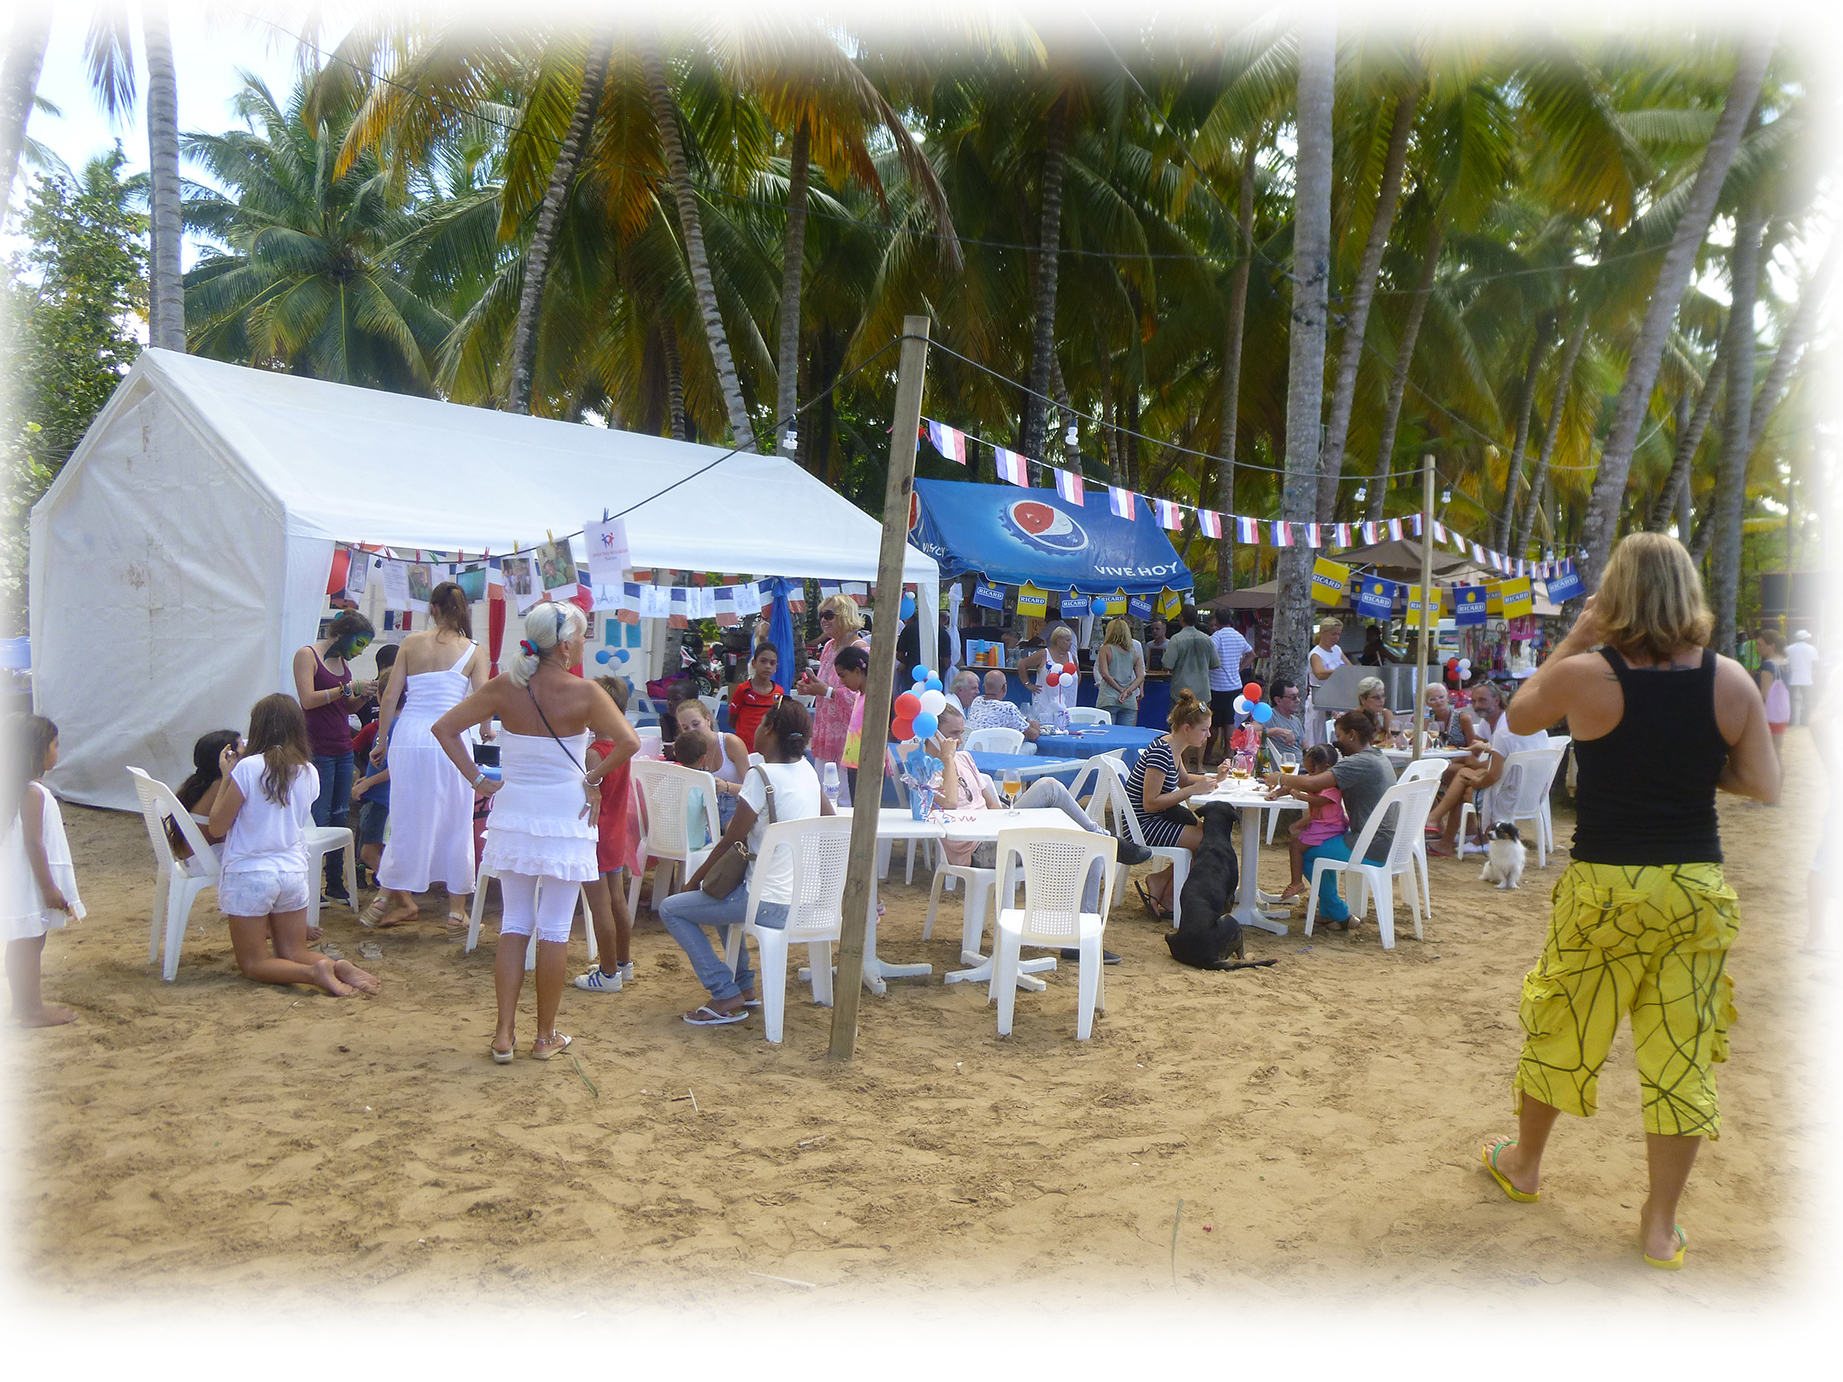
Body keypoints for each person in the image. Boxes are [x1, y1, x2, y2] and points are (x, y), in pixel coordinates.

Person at [1474, 533, 1777, 1270]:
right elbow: (1763, 784)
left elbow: (1517, 718)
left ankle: (1524, 1164)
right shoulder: (1731, 680)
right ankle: (1658, 1224)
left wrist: (1578, 634)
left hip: (1606, 886)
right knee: (1680, 1052)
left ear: (1615, 595)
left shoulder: (1586, 675)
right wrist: (1689, 767)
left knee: (1563, 1025)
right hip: (1692, 887)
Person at [433, 601, 636, 1062]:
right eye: (581, 636)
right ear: (564, 645)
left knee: (514, 923)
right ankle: (545, 1037)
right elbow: (627, 741)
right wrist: (592, 777)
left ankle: (504, 1034)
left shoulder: (506, 685)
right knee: (555, 928)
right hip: (566, 816)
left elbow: (445, 728)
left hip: (514, 813)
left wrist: (477, 779)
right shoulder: (585, 692)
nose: (583, 643)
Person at [925, 704, 1149, 959]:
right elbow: (950, 803)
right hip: (975, 849)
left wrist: (1011, 813)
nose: (959, 740)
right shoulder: (925, 769)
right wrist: (946, 759)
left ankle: (1081, 941)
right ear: (934, 734)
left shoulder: (964, 758)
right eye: (953, 734)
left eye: (962, 733)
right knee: (1053, 792)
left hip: (998, 833)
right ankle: (1106, 839)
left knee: (1090, 847)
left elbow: (994, 809)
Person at [659, 698, 830, 1026]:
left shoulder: (761, 775)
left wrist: (690, 883)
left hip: (766, 900)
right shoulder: (807, 770)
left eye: (761, 723)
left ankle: (724, 992)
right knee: (718, 895)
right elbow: (830, 820)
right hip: (804, 897)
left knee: (672, 909)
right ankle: (743, 986)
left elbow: (730, 840)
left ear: (769, 730)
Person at [206, 695, 379, 997]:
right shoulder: (308, 771)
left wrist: (226, 777)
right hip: (293, 871)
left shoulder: (247, 768)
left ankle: (314, 973)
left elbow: (217, 826)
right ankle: (337, 967)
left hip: (251, 873)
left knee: (253, 963)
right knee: (293, 951)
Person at [370, 581, 488, 931]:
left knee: (405, 817)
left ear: (432, 608)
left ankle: (383, 896)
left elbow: (390, 696)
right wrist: (486, 728)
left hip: (409, 735)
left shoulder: (410, 643)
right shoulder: (473, 650)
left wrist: (381, 740)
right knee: (456, 820)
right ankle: (456, 911)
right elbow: (483, 697)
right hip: (450, 736)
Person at [1259, 708, 1399, 929]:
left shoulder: (1358, 763)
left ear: (1352, 734)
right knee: (1321, 845)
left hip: (1371, 845)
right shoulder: (1376, 757)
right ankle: (1328, 913)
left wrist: (1280, 778)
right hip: (1383, 840)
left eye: (1340, 735)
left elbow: (1313, 783)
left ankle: (1340, 914)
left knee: (1307, 853)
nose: (1337, 741)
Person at [292, 610, 377, 903]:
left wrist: (362, 695)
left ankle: (334, 881)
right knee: (318, 816)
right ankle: (309, 883)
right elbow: (307, 700)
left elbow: (346, 707)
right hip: (317, 748)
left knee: (340, 816)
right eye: (359, 643)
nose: (360, 651)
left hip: (343, 747)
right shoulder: (307, 655)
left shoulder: (342, 661)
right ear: (341, 635)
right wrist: (346, 689)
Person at [1125, 690, 1233, 918]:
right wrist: (1193, 790)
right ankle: (1165, 889)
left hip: (1154, 819)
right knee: (1209, 842)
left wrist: (1216, 778)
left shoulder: (1171, 746)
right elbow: (1150, 803)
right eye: (1204, 730)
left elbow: (1183, 780)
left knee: (1209, 836)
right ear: (1187, 728)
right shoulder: (1161, 752)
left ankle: (1162, 885)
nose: (1208, 735)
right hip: (1143, 825)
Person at [3, 715, 82, 1026]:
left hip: (23, 879)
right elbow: (34, 842)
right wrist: (49, 887)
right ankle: (28, 1009)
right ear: (37, 751)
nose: (57, 751)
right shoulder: (32, 793)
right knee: (29, 941)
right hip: (30, 881)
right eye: (55, 745)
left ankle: (25, 1006)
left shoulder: (21, 789)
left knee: (26, 940)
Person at [575, 677, 642, 994]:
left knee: (599, 905)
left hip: (597, 834)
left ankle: (608, 972)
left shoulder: (594, 753)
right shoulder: (619, 748)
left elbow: (589, 792)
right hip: (616, 832)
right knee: (617, 900)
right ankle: (623, 963)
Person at [1426, 681, 1547, 856]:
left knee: (1462, 783)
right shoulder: (1541, 732)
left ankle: (1448, 831)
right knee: (1460, 774)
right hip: (1533, 794)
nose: (1476, 705)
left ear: (1500, 702)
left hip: (1506, 796)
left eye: (1482, 700)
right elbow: (1479, 753)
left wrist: (1477, 781)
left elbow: (1494, 774)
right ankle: (1457, 832)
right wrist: (1473, 765)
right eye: (1474, 701)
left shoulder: (1504, 733)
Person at [796, 593, 870, 801]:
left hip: (848, 735)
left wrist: (826, 691)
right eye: (821, 615)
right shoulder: (829, 647)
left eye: (828, 615)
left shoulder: (860, 650)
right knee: (823, 795)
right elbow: (825, 685)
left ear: (845, 615)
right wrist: (811, 688)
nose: (823, 620)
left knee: (843, 797)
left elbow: (864, 697)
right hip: (826, 732)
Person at [1277, 743, 1346, 901]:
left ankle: (1296, 882)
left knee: (1296, 847)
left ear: (1326, 768)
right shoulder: (1315, 778)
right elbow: (1291, 786)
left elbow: (1319, 801)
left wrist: (1299, 795)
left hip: (1330, 826)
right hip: (1319, 824)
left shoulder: (1332, 785)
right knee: (1295, 834)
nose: (1309, 775)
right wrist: (1276, 793)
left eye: (1312, 771)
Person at [673, 698, 751, 829]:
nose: (692, 731)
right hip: (703, 808)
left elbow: (752, 789)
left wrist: (727, 787)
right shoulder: (688, 749)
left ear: (708, 720)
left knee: (733, 834)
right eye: (685, 728)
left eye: (696, 724)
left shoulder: (730, 743)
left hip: (734, 805)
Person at [168, 728, 242, 863]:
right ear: (228, 756)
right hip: (205, 861)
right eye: (243, 746)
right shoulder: (222, 784)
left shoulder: (200, 783)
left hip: (193, 859)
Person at [1206, 612, 1255, 762]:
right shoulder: (1238, 636)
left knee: (1213, 723)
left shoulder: (1217, 637)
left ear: (1217, 621)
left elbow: (1209, 655)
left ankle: (1207, 754)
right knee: (1229, 721)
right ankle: (1228, 753)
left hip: (1217, 685)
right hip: (1234, 685)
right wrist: (1239, 668)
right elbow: (1252, 654)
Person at [1162, 605, 1219, 721]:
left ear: (1182, 618)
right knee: (1201, 723)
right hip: (1202, 693)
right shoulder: (1207, 639)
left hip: (1181, 692)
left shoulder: (1176, 639)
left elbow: (1167, 665)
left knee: (1179, 723)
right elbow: (1216, 664)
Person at [1019, 623, 1079, 728]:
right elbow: (1022, 664)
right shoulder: (1044, 654)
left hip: (1067, 705)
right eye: (1067, 640)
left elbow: (1077, 674)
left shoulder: (1071, 657)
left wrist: (1072, 688)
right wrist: (1027, 683)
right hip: (1045, 703)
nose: (1071, 643)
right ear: (1058, 641)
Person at [727, 643, 782, 752]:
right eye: (763, 661)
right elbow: (732, 720)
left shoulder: (779, 692)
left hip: (766, 749)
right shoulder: (743, 689)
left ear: (776, 667)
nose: (768, 666)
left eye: (772, 663)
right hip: (743, 748)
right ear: (753, 663)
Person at [1094, 618, 1146, 726]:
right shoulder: (1133, 652)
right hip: (1129, 701)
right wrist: (1128, 691)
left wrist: (1120, 689)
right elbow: (1140, 677)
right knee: (1125, 734)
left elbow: (1104, 674)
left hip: (1108, 698)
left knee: (1107, 733)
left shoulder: (1105, 649)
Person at [966, 669, 1043, 742]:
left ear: (984, 688)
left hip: (970, 745)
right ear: (1004, 688)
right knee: (1031, 746)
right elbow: (1032, 736)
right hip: (992, 748)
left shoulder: (976, 701)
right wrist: (1036, 727)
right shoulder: (1008, 708)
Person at [1305, 618, 1348, 747]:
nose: (1336, 638)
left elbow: (1349, 667)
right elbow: (1319, 673)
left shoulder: (1337, 650)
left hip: (1335, 701)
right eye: (1333, 634)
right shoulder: (1316, 654)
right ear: (1323, 632)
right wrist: (1338, 671)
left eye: (1339, 634)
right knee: (1317, 741)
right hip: (1318, 702)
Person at [1756, 629, 1791, 765]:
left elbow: (1764, 695)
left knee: (1771, 754)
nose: (1757, 648)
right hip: (1782, 712)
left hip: (1769, 715)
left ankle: (1773, 779)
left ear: (1772, 646)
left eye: (1760, 644)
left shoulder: (1768, 665)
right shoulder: (1785, 662)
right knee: (1777, 752)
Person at [1262, 681, 1306, 754]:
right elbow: (1252, 734)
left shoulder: (1296, 720)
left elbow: (1305, 746)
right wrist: (1276, 731)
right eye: (1293, 697)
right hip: (1284, 760)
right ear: (1278, 700)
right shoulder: (1268, 715)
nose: (1298, 700)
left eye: (1298, 696)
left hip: (1301, 759)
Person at [1785, 628, 1817, 725]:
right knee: (1807, 702)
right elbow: (1815, 664)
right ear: (1806, 638)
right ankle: (1806, 722)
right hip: (1806, 679)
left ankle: (1790, 721)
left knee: (1790, 701)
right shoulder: (1811, 649)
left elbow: (1786, 664)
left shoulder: (1788, 649)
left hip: (1792, 679)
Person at [1356, 676, 1399, 741]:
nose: (1381, 700)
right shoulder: (1353, 718)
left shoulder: (1385, 715)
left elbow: (1396, 742)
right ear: (1362, 699)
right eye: (1376, 697)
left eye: (1383, 696)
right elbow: (1360, 745)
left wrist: (1388, 723)